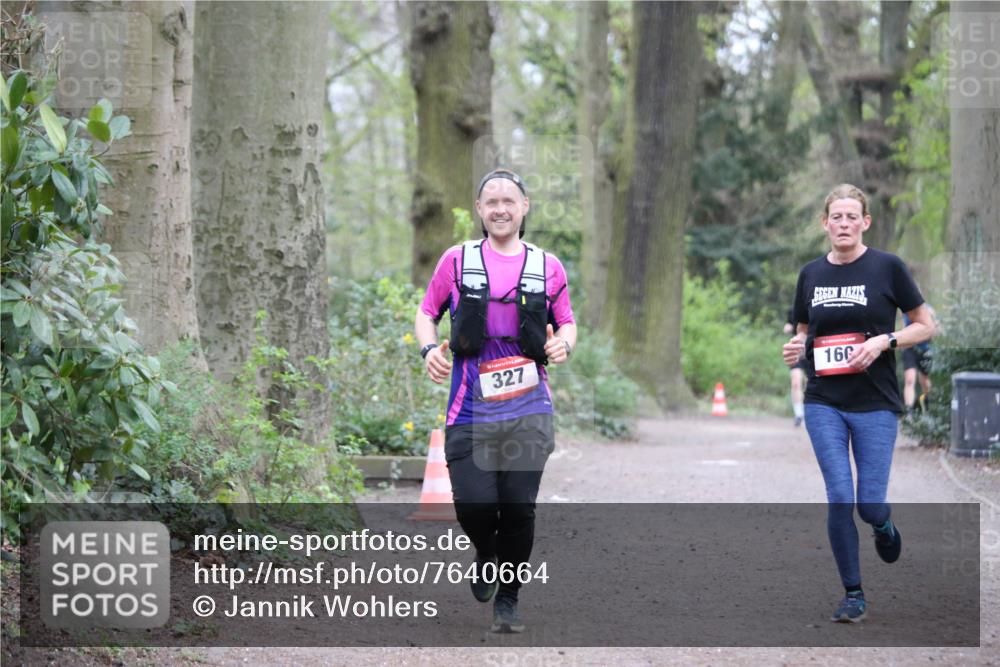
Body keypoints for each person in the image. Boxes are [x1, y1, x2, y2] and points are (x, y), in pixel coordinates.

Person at [414, 168, 577, 633]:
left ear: (524, 207)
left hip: (529, 409)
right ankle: (486, 550)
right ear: (480, 210)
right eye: (491, 202)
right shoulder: (457, 261)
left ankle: (508, 599)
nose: (500, 209)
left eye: (509, 201)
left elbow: (567, 322)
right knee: (475, 507)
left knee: (519, 507)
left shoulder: (547, 266)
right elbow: (426, 313)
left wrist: (563, 344)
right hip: (469, 408)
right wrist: (429, 349)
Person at [782, 184, 935, 623]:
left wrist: (885, 341)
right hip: (824, 401)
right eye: (837, 217)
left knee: (869, 504)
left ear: (866, 222)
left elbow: (925, 325)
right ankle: (853, 593)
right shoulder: (811, 274)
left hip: (876, 402)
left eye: (852, 217)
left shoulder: (888, 267)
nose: (844, 224)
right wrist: (795, 349)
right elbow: (804, 332)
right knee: (839, 497)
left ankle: (882, 525)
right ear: (825, 223)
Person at [901, 308, 936, 414]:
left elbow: (935, 331)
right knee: (910, 379)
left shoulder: (929, 310)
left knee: (924, 381)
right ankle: (909, 412)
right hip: (909, 348)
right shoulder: (906, 309)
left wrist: (933, 325)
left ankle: (928, 406)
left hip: (924, 349)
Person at [784, 309, 806, 427]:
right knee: (796, 383)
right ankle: (799, 414)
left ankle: (810, 413)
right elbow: (789, 325)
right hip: (797, 351)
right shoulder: (792, 310)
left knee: (811, 384)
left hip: (814, 351)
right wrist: (787, 327)